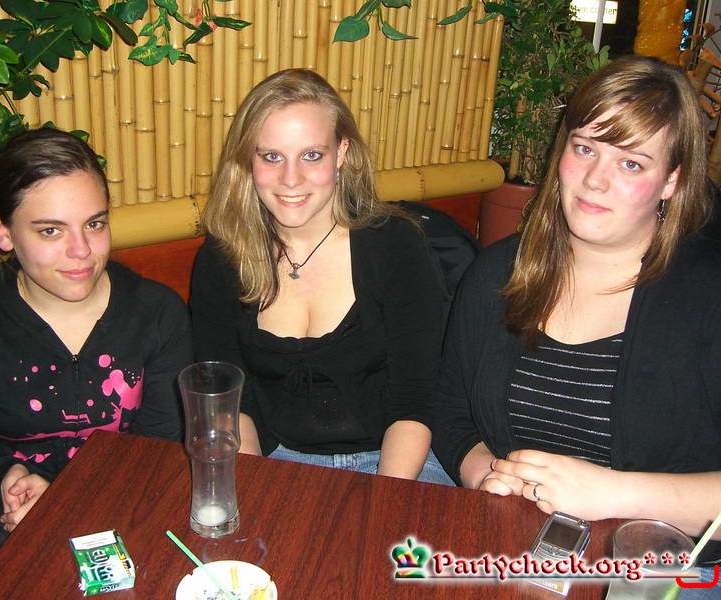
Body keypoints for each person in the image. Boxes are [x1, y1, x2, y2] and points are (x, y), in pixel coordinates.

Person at [433, 54, 721, 580]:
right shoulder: (497, 273)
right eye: (584, 148)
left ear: (672, 181)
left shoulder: (708, 295)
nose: (594, 180)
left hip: (664, 572)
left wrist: (612, 492)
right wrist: (485, 472)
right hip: (511, 543)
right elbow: (451, 410)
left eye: (631, 164)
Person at [0, 127, 192, 597]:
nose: (81, 251)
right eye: (51, 230)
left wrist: (65, 502)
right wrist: (4, 476)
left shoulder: (158, 314)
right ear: (2, 231)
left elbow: (160, 453)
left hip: (126, 505)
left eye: (95, 224)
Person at [190, 68, 456, 484]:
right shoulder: (223, 258)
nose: (290, 179)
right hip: (274, 460)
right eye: (271, 156)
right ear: (247, 159)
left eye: (311, 155)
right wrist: (255, 488)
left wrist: (382, 500)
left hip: (395, 461)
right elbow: (230, 403)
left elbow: (415, 400)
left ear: (341, 152)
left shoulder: (395, 245)